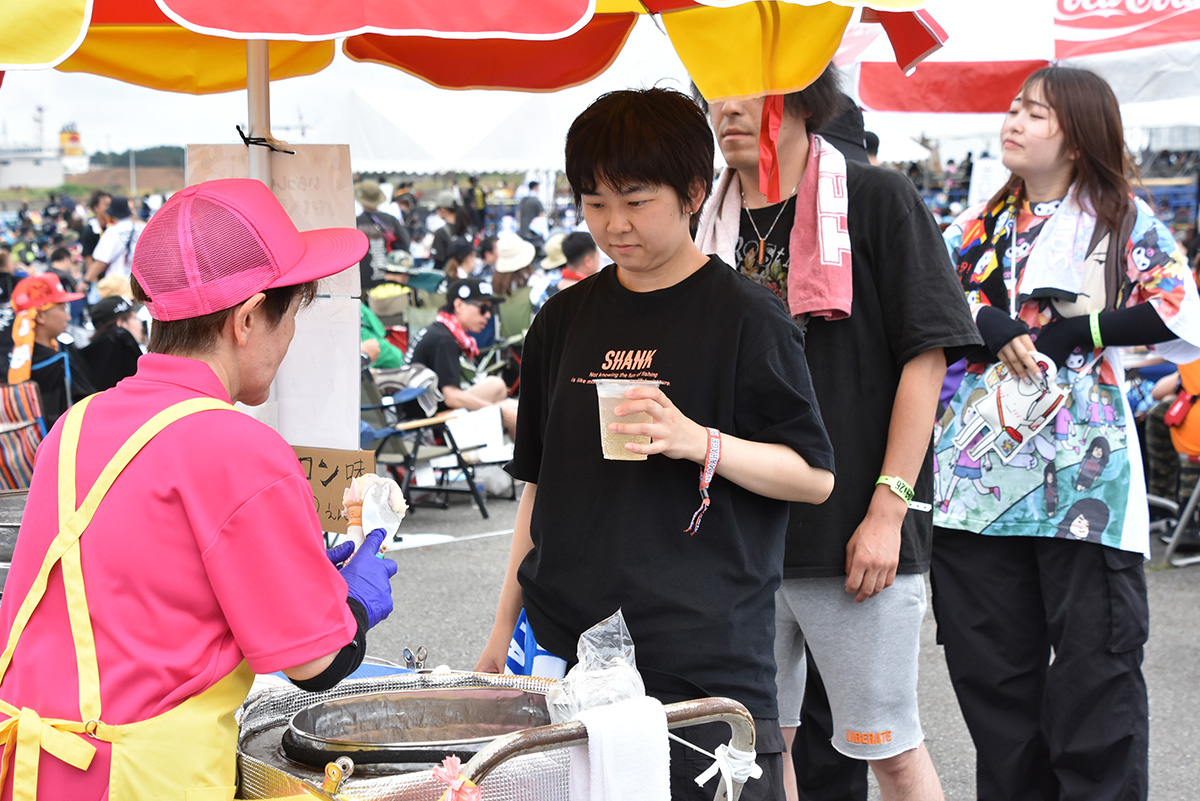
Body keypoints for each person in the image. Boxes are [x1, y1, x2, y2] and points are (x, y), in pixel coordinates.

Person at [475, 87, 836, 801]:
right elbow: (539, 488)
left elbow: (812, 476)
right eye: (595, 202)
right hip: (563, 652)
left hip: (700, 656)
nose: (615, 224)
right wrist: (499, 634)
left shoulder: (747, 318)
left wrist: (696, 440)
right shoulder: (561, 320)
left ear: (694, 192)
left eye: (637, 201)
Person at [0, 178, 399, 799]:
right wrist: (354, 602)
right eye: (291, 317)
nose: (289, 340)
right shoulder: (238, 446)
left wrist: (294, 578)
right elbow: (317, 664)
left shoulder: (75, 425)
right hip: (139, 779)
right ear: (248, 318)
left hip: (32, 770)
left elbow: (146, 599)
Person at [696, 66, 980, 801]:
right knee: (757, 753)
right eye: (714, 88)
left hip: (855, 530)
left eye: (750, 87)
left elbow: (927, 354)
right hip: (735, 538)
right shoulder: (701, 221)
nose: (726, 105)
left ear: (802, 92)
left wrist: (889, 510)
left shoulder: (875, 196)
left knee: (891, 749)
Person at [930, 67, 1200, 801]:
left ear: (1078, 139)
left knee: (1096, 679)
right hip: (979, 485)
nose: (1013, 122)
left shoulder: (1122, 219)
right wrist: (985, 320)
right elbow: (919, 295)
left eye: (1035, 114)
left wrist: (1082, 330)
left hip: (1087, 480)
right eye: (1013, 109)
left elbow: (1178, 306)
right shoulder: (973, 226)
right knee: (995, 686)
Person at [405, 277, 518, 437]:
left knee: (497, 385)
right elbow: (452, 397)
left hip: (426, 407)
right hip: (425, 423)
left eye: (491, 310)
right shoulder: (444, 340)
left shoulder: (439, 331)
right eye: (483, 308)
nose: (488, 315)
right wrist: (499, 411)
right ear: (459, 305)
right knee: (514, 413)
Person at [6, 272, 98, 428]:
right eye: (62, 309)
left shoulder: (13, 363)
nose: (68, 317)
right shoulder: (57, 362)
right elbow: (89, 408)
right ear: (40, 316)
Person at [355, 179, 411, 293]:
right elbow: (405, 244)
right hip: (390, 281)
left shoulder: (356, 223)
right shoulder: (391, 220)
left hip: (363, 282)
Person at [80, 295, 145, 391]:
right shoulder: (128, 367)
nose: (140, 325)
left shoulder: (88, 361)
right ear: (120, 323)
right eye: (134, 318)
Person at [86, 195, 145, 290]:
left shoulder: (112, 232)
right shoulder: (140, 229)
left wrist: (86, 280)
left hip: (117, 286)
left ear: (112, 214)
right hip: (139, 284)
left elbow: (101, 261)